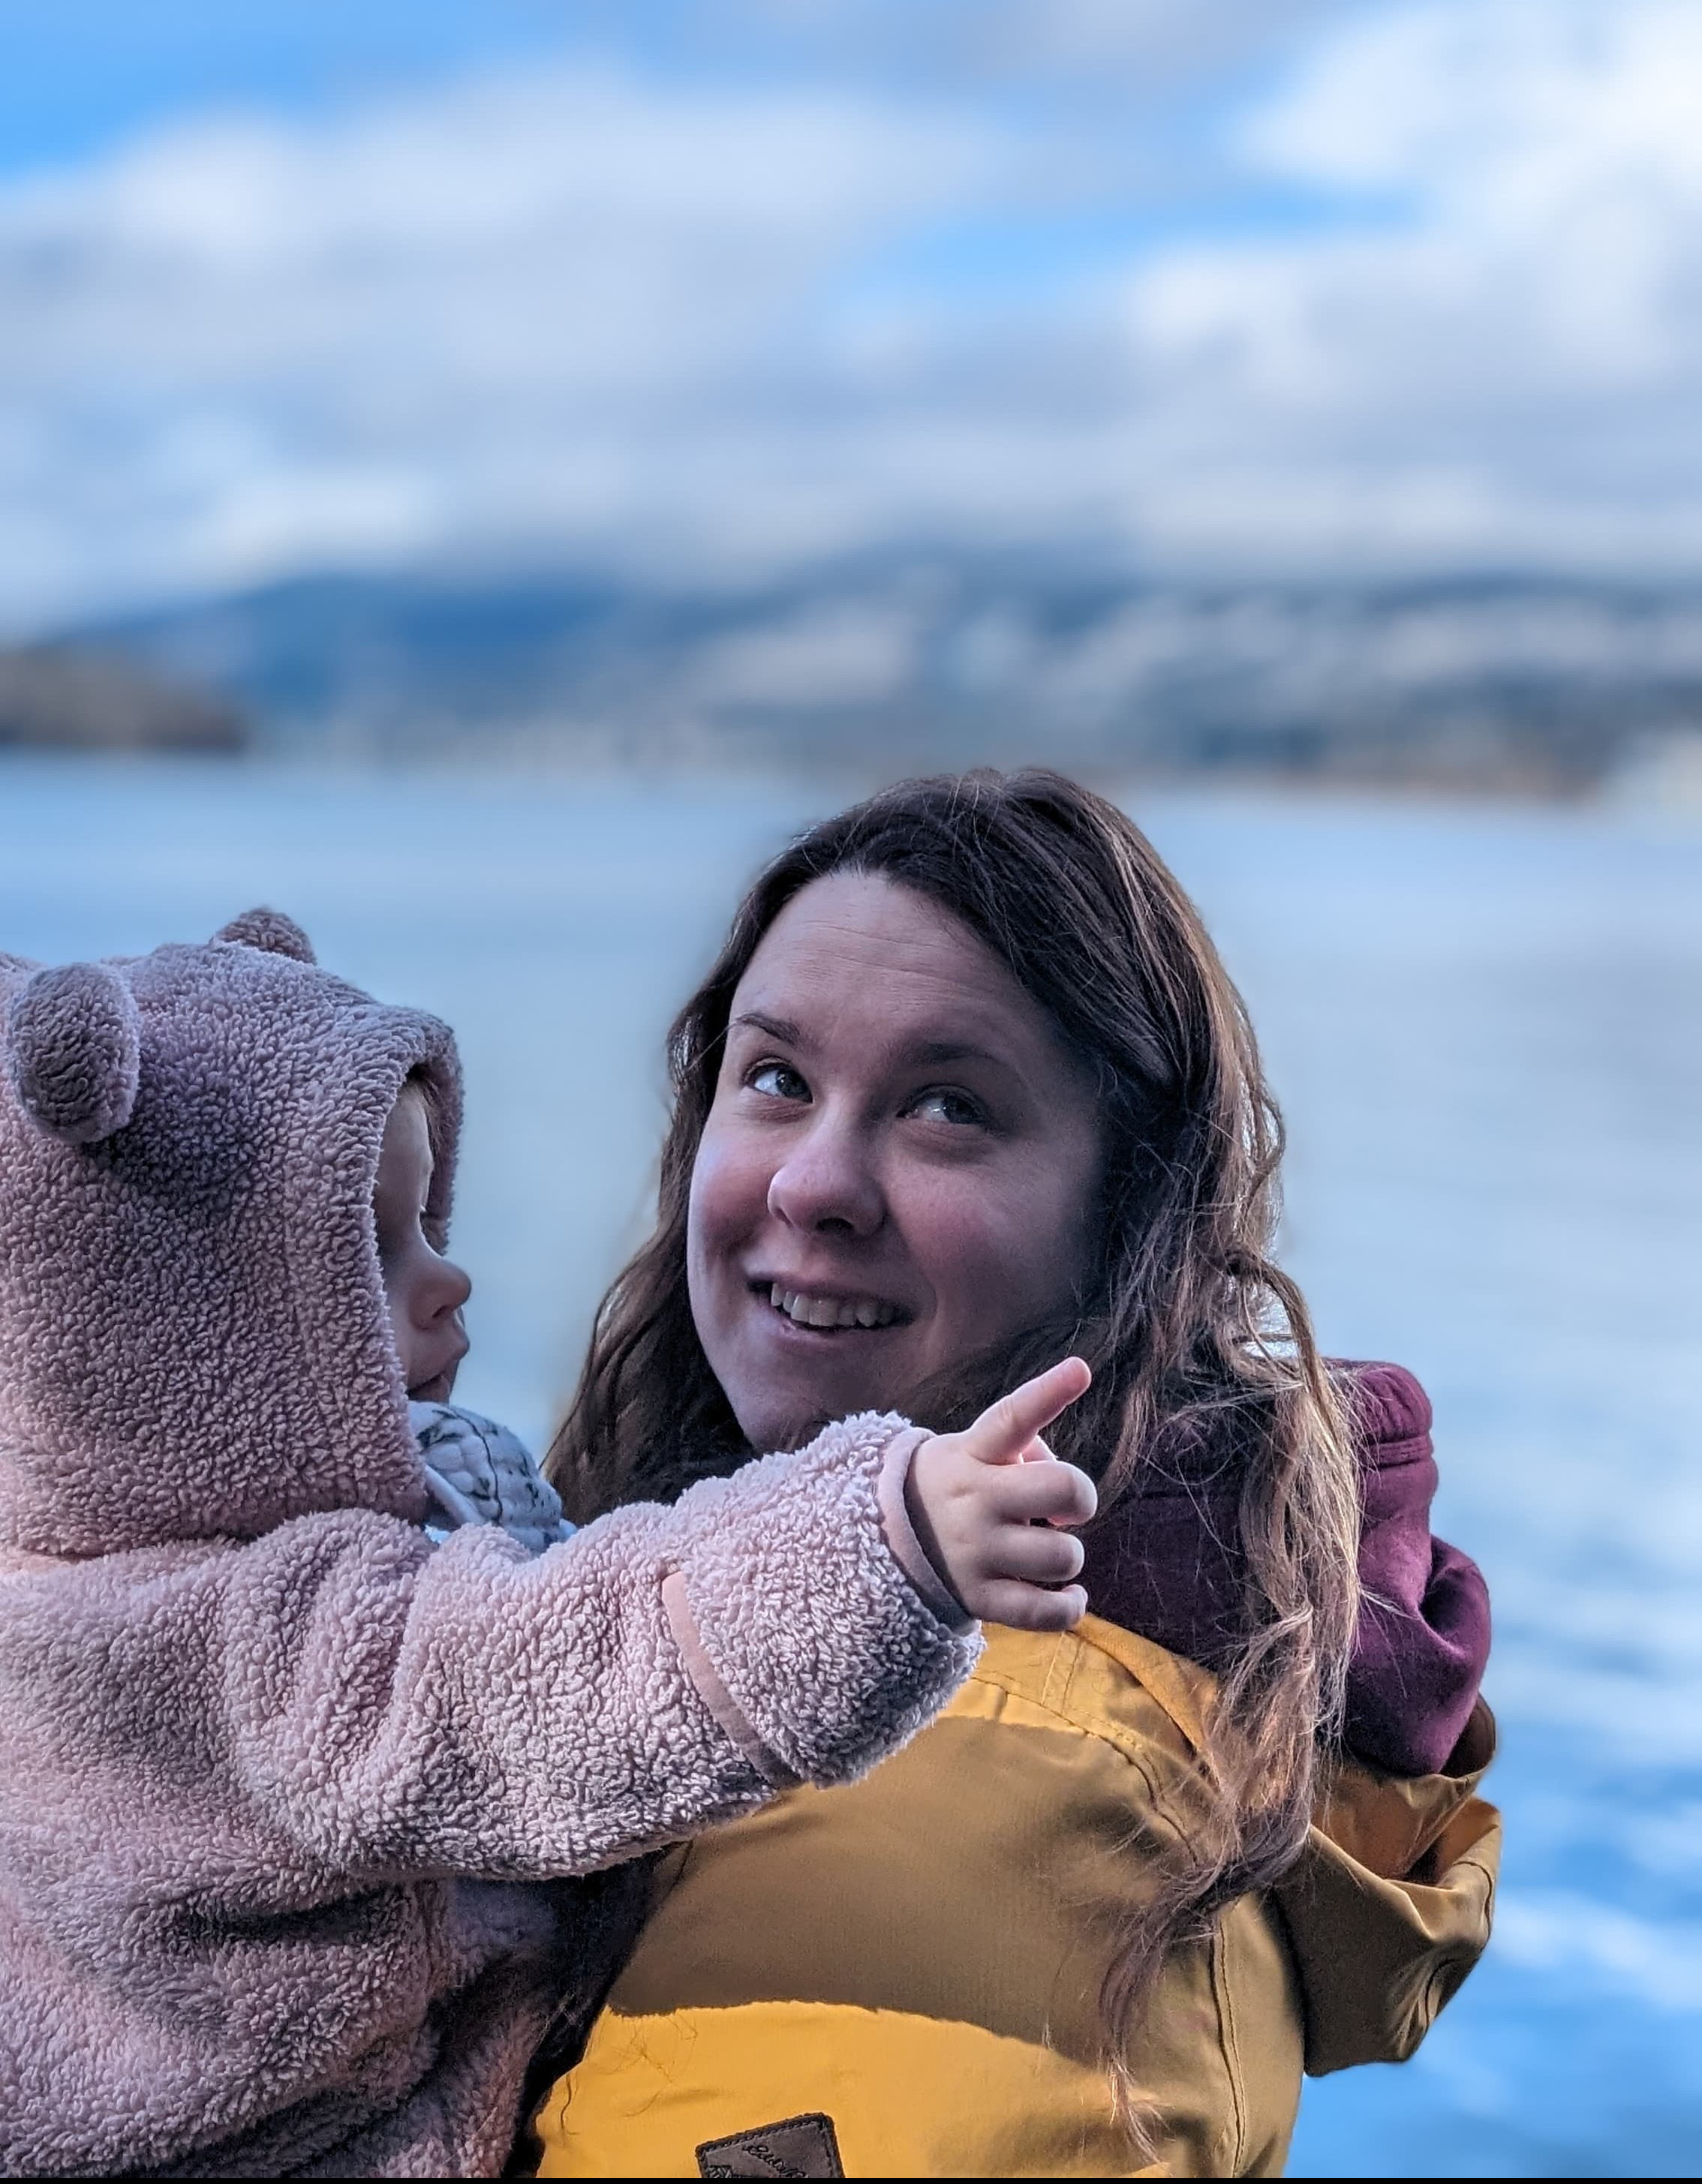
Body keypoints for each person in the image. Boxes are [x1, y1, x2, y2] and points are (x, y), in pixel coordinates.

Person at [0, 906, 1093, 2179]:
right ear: (164, 1341)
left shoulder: (79, 1548)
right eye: (364, 1254)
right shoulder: (255, 1643)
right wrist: (887, 1533)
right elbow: (555, 1679)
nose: (449, 1281)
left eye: (430, 1226)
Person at [536, 771, 1501, 2178]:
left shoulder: (1011, 1780)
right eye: (777, 1078)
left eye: (947, 1107)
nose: (812, 1182)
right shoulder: (764, 1608)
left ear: (1127, 1218)